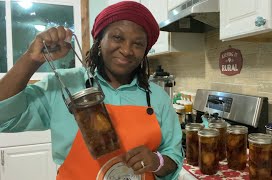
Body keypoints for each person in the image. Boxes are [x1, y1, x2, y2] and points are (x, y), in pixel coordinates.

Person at [0, 1, 183, 180]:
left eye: (138, 44)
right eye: (117, 37)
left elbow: (174, 157)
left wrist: (157, 161)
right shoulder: (62, 85)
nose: (127, 50)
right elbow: (4, 119)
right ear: (99, 40)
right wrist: (31, 60)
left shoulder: (158, 98)